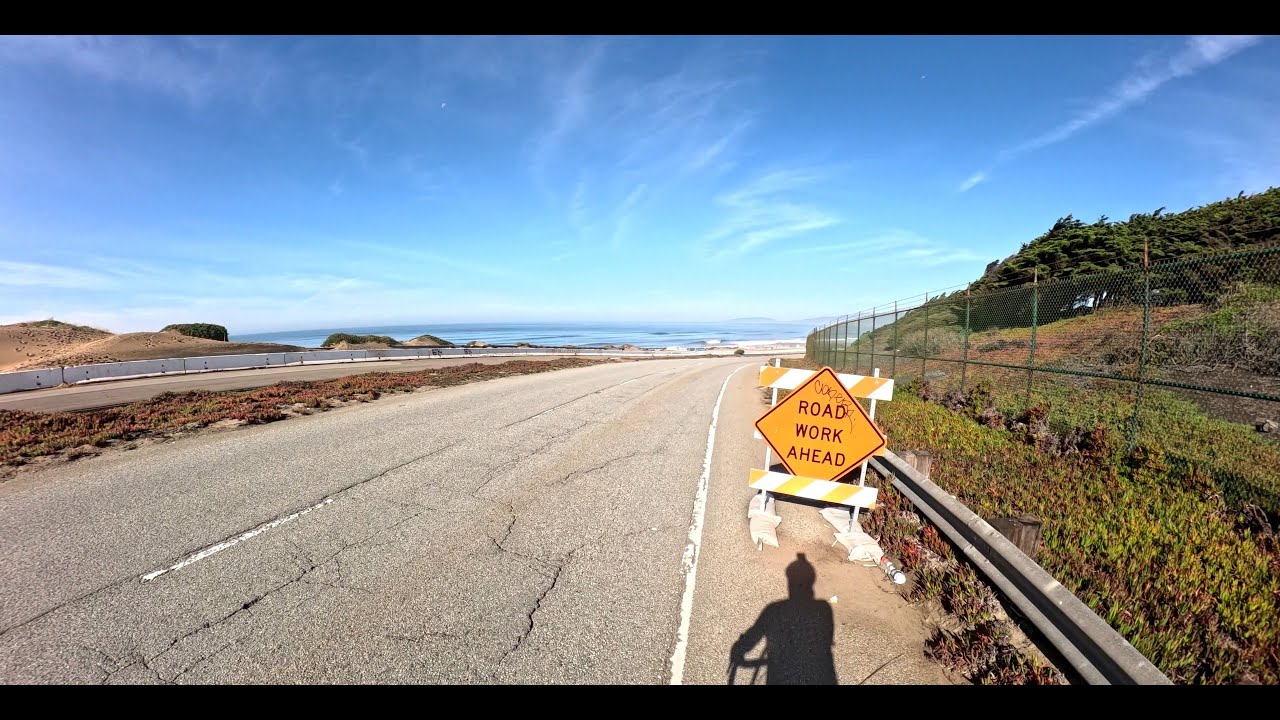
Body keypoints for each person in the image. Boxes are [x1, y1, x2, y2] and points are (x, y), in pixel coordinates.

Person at [728, 553, 837, 685]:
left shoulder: (773, 610)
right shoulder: (824, 608)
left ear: (790, 583)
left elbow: (754, 634)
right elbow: (827, 639)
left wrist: (738, 649)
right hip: (821, 676)